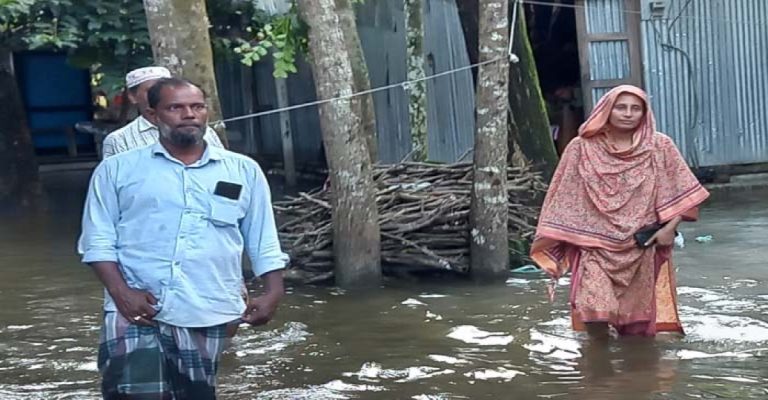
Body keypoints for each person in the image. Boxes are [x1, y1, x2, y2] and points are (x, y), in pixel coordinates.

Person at [78, 78, 287, 399]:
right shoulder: (117, 170)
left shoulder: (242, 171)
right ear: (152, 115)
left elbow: (262, 238)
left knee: (197, 394)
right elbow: (97, 240)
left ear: (206, 113)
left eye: (197, 107)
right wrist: (121, 293)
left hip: (210, 306)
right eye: (175, 107)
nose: (188, 114)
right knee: (134, 393)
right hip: (138, 309)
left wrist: (273, 291)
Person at [530, 85, 710, 339]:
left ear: (644, 113)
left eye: (635, 108)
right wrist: (568, 234)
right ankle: (598, 370)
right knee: (595, 310)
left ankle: (637, 374)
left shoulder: (659, 146)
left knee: (636, 325)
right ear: (607, 110)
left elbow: (684, 192)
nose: (628, 113)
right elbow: (563, 195)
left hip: (641, 245)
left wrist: (669, 230)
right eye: (621, 107)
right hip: (595, 245)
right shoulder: (581, 148)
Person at [101, 66, 223, 158]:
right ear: (132, 96)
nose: (189, 114)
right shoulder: (119, 140)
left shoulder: (204, 132)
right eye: (152, 90)